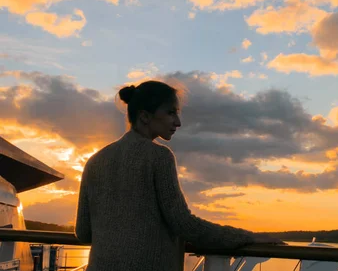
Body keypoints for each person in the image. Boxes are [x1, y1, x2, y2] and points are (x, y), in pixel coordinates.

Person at [75, 80, 282, 271]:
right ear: (145, 116)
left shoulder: (94, 161)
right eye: (171, 113)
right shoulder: (158, 156)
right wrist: (248, 237)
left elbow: (83, 233)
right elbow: (184, 224)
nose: (178, 122)